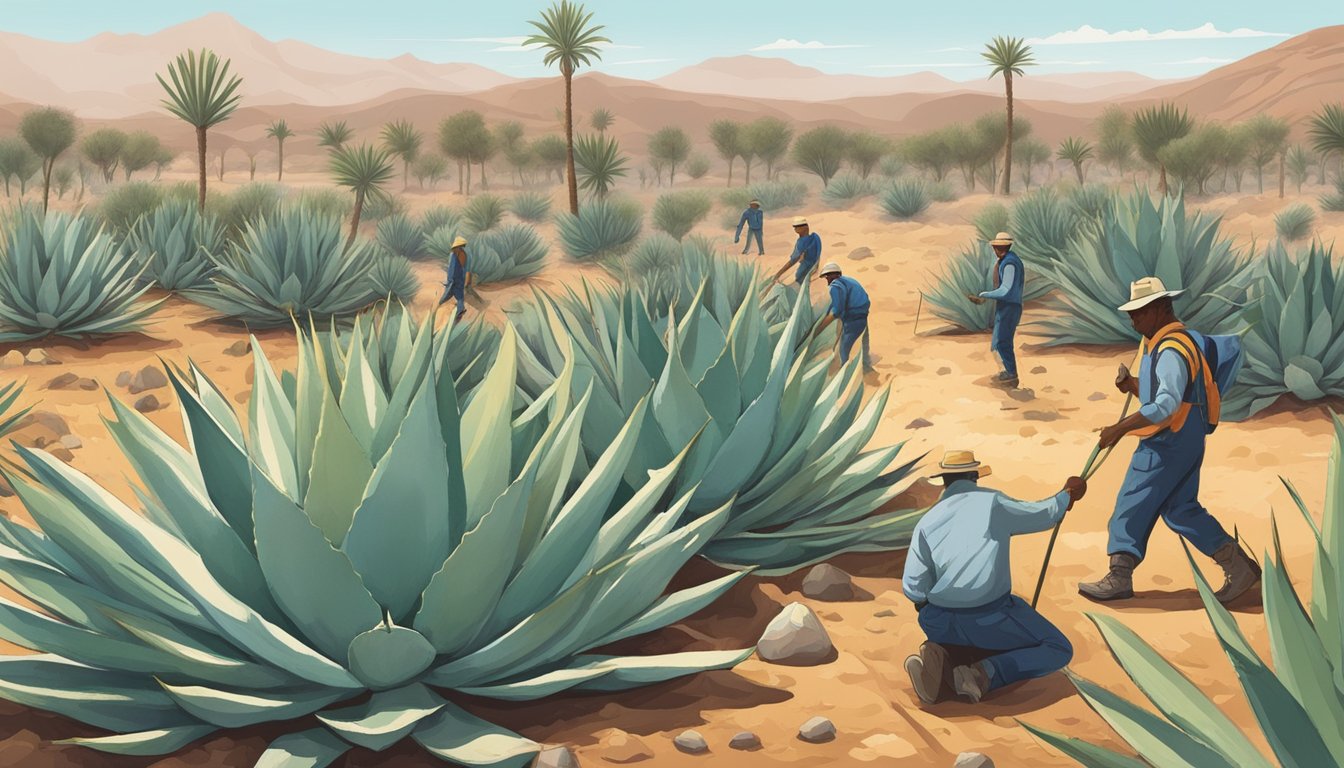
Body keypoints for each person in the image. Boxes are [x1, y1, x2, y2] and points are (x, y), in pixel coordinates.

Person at [1078, 277, 1260, 604]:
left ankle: (1119, 576)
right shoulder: (1178, 341)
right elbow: (1172, 393)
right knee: (1181, 508)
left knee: (1132, 500)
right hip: (1186, 437)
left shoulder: (1171, 348)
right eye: (1132, 313)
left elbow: (1166, 404)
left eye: (1140, 312)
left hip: (1168, 439)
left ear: (1162, 307)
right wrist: (1132, 385)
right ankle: (1239, 566)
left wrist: (1119, 428)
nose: (1134, 320)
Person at [903, 451, 1086, 705]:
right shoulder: (993, 503)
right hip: (990, 616)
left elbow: (914, 587)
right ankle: (981, 675)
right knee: (1057, 648)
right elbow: (1043, 514)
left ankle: (946, 657)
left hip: (938, 618)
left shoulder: (927, 520)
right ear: (975, 476)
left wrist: (938, 608)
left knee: (970, 635)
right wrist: (1067, 494)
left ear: (945, 480)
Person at [968, 232, 1024, 388]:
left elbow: (1005, 289)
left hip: (1010, 306)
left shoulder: (1010, 263)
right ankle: (1006, 372)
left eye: (997, 246)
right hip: (1006, 306)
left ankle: (1010, 375)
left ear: (1001, 247)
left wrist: (985, 295)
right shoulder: (1007, 260)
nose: (995, 249)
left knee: (1002, 342)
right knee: (999, 341)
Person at [811, 262, 873, 372]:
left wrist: (818, 329)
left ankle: (845, 372)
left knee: (844, 348)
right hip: (862, 314)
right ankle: (866, 367)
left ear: (831, 275)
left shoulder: (836, 286)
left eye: (827, 277)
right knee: (864, 342)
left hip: (853, 318)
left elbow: (837, 311)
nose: (827, 280)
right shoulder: (849, 281)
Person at [770, 216, 822, 286]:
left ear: (805, 227)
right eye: (795, 227)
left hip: (805, 270)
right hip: (814, 267)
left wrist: (778, 274)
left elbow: (793, 260)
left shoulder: (801, 242)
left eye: (797, 227)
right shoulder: (815, 236)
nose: (795, 229)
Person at [438, 235, 473, 320]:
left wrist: (466, 279)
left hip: (457, 279)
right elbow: (451, 268)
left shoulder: (462, 254)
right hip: (452, 279)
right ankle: (441, 305)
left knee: (457, 295)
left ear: (459, 246)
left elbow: (465, 268)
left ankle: (459, 310)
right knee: (452, 294)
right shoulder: (453, 254)